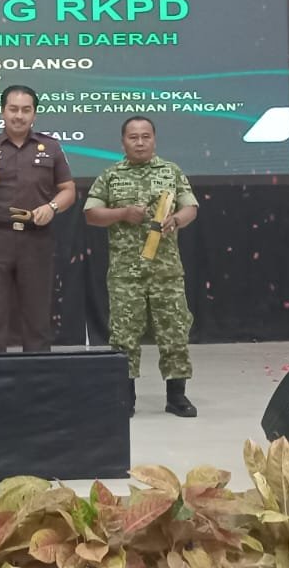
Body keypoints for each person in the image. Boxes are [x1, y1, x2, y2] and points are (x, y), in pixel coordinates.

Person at [83, 116, 199, 418]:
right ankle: (126, 397)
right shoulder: (111, 175)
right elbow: (91, 214)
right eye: (133, 137)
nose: (140, 142)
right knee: (124, 337)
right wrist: (122, 213)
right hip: (126, 273)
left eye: (145, 136)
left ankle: (176, 396)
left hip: (166, 271)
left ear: (154, 140)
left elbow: (190, 207)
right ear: (123, 142)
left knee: (174, 332)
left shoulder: (171, 171)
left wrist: (177, 219)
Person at [0, 85, 77, 352]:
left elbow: (68, 190)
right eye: (13, 109)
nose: (19, 116)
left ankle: (37, 374)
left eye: (25, 110)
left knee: (37, 318)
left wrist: (52, 207)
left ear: (34, 114)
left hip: (36, 239)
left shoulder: (51, 147)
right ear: (2, 112)